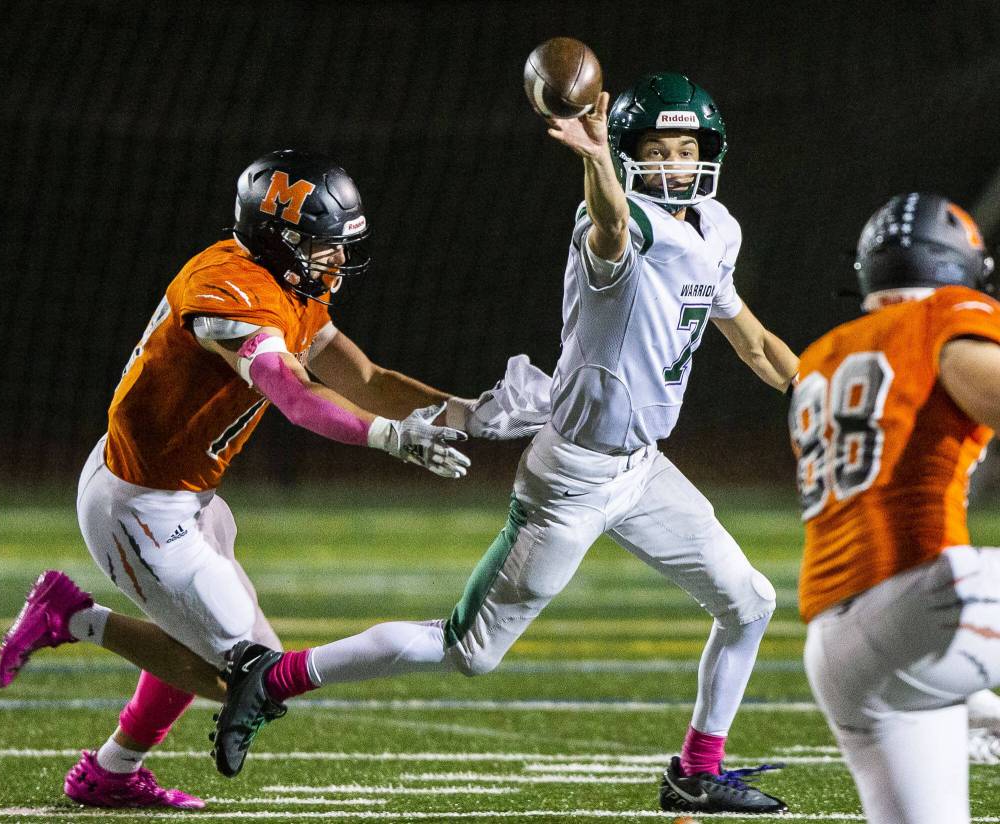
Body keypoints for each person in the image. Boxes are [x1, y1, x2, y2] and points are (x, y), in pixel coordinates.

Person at [212, 74, 799, 814]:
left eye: (686, 149)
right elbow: (613, 224)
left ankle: (696, 771)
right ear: (626, 156)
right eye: (656, 150)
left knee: (749, 603)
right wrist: (595, 160)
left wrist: (814, 394)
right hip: (573, 478)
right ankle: (274, 677)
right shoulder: (620, 225)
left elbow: (751, 341)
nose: (674, 165)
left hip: (645, 471)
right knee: (468, 652)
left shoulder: (715, 228)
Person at [0, 149, 500, 809]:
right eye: (326, 248)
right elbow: (293, 395)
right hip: (140, 507)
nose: (339, 262)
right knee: (250, 674)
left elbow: (368, 380)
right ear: (280, 242)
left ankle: (111, 773)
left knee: (205, 636)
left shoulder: (287, 286)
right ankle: (74, 618)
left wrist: (478, 414)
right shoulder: (232, 290)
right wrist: (389, 438)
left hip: (184, 495)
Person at [790, 192, 1000, 824]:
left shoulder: (822, 354)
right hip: (926, 601)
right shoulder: (947, 311)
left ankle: (974, 701)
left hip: (837, 647)